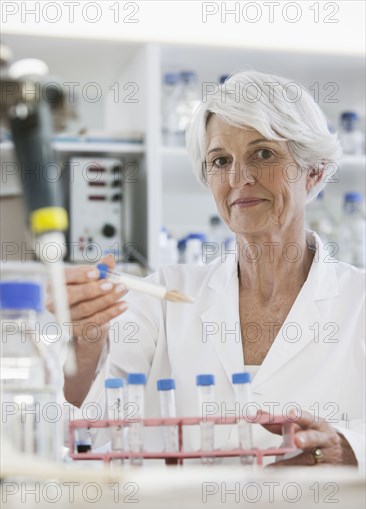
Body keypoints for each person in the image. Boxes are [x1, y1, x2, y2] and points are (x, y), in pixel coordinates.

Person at [48, 70, 365, 467]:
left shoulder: (359, 302)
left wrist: (348, 448)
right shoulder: (162, 297)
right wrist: (87, 336)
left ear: (313, 171)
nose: (239, 178)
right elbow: (93, 427)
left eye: (263, 154)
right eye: (220, 161)